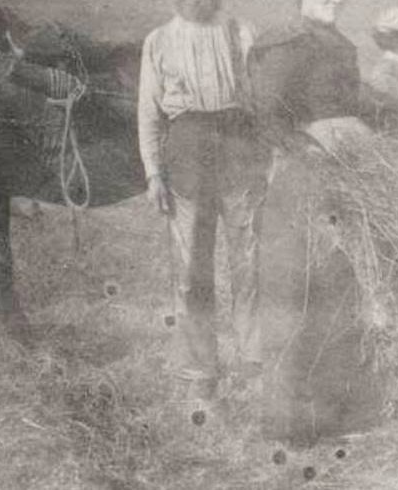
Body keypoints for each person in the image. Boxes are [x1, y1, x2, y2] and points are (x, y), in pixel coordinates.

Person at [247, 0, 384, 445]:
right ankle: (293, 423)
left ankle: (341, 414)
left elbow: (354, 103)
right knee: (295, 293)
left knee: (342, 289)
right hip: (299, 179)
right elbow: (265, 111)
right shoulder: (285, 43)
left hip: (345, 178)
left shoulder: (341, 43)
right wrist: (300, 146)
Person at [137, 0, 270, 410]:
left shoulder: (240, 32)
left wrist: (268, 161)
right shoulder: (159, 41)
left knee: (249, 262)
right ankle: (201, 372)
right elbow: (148, 112)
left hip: (238, 152)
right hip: (187, 155)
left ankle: (256, 361)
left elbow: (262, 104)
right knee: (191, 270)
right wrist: (154, 173)